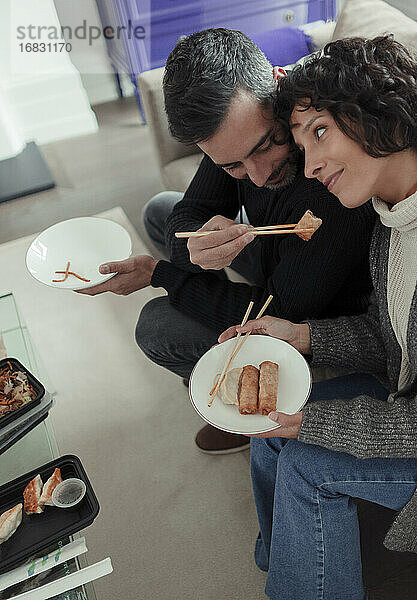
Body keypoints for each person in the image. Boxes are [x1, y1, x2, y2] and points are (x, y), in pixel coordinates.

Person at [79, 29, 376, 454]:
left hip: (315, 308)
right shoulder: (235, 131)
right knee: (162, 209)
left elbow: (277, 313)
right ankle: (219, 370)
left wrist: (162, 273)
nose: (257, 176)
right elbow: (187, 215)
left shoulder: (330, 180)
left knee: (157, 325)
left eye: (267, 144)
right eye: (232, 164)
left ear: (277, 84)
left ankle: (241, 400)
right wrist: (195, 248)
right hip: (281, 259)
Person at [219, 35, 417, 600]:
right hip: (404, 398)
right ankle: (286, 552)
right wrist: (300, 336)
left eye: (321, 131)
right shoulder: (392, 224)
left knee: (305, 459)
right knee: (267, 424)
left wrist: (319, 427)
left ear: (381, 110)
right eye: (301, 144)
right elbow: (392, 340)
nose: (310, 166)